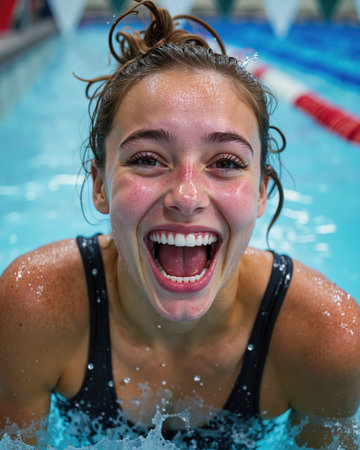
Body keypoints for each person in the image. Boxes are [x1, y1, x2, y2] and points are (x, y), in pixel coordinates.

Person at [1, 1, 360, 448]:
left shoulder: (323, 337)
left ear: (262, 190)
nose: (187, 197)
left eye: (225, 162)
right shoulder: (35, 309)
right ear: (99, 185)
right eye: (147, 159)